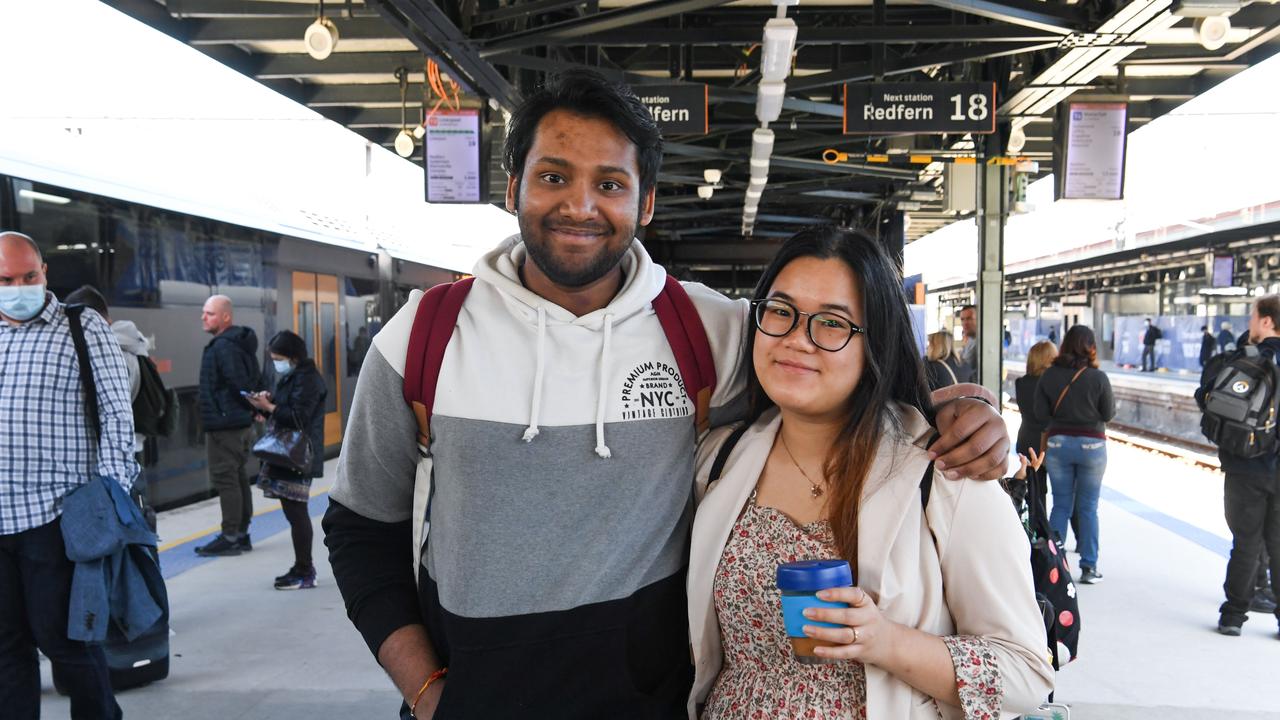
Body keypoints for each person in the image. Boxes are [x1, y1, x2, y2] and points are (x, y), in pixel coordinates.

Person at [322, 69, 1012, 719]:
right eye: (553, 176)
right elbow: (360, 531)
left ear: (645, 202)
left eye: (611, 184)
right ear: (513, 187)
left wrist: (954, 406)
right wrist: (428, 689)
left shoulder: (709, 331)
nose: (580, 205)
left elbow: (836, 365)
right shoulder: (423, 338)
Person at [687, 228, 1052, 719]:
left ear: (876, 344)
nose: (797, 339)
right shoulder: (719, 459)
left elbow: (1026, 672)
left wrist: (885, 642)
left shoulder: (944, 473)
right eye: (780, 311)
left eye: (833, 323)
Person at [0, 231, 139, 720]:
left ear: (44, 273)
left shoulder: (81, 328)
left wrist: (108, 499)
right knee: (6, 652)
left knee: (67, 643)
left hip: (56, 517)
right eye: (5, 280)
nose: (19, 287)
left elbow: (118, 417)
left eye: (28, 276)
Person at [1205, 295, 1280, 636]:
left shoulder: (1242, 358)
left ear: (1267, 322)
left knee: (1246, 542)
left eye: (1253, 316)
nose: (1249, 322)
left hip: (1245, 466)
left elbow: (1207, 396)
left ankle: (1234, 616)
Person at [1034, 325, 1115, 584]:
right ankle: (1089, 567)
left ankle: (1052, 565)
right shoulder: (1098, 378)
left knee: (1061, 505)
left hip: (1058, 445)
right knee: (1088, 508)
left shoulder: (1049, 376)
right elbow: (1108, 414)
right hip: (1092, 446)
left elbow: (1040, 414)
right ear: (1091, 347)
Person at [246, 331, 327, 590]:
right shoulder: (296, 376)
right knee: (293, 513)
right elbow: (289, 407)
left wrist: (270, 408)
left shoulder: (309, 380)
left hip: (298, 454)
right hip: (289, 454)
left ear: (293, 357)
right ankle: (301, 566)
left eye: (279, 358)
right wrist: (267, 403)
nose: (276, 363)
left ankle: (305, 570)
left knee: (297, 513)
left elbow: (299, 417)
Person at [195, 294, 261, 557]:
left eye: (209, 313)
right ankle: (241, 533)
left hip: (226, 425)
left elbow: (238, 384)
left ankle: (230, 534)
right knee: (238, 475)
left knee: (226, 478)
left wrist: (228, 411)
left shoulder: (223, 347)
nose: (203, 317)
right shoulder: (237, 344)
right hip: (235, 421)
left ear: (225, 317)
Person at [65, 285, 151, 454]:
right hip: (128, 446)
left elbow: (111, 410)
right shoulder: (129, 346)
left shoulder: (113, 353)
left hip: (114, 451)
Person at [1015, 340, 1057, 511]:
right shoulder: (1053, 384)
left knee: (1034, 490)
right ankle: (1045, 532)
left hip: (1026, 438)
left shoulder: (1021, 383)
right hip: (1047, 441)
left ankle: (1035, 528)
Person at [958, 304, 978, 371]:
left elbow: (962, 368)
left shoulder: (980, 343)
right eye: (962, 319)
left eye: (969, 319)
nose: (965, 323)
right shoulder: (970, 339)